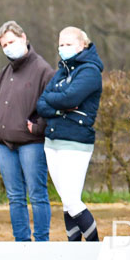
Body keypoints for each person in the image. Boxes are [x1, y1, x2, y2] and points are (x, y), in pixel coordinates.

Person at [0, 21, 55, 241]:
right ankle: (21, 243)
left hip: (31, 143)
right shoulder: (4, 72)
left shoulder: (43, 70)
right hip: (5, 144)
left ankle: (41, 243)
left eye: (11, 41)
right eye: (4, 45)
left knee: (37, 195)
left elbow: (52, 106)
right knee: (15, 197)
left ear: (23, 37)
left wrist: (39, 127)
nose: (8, 47)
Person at [36, 27, 104, 242]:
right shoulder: (62, 71)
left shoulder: (90, 71)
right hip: (52, 141)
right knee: (67, 202)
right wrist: (60, 108)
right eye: (61, 44)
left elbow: (70, 98)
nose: (63, 48)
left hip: (75, 141)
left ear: (82, 45)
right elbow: (41, 103)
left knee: (72, 200)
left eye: (69, 44)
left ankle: (94, 248)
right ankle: (73, 249)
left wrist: (57, 100)